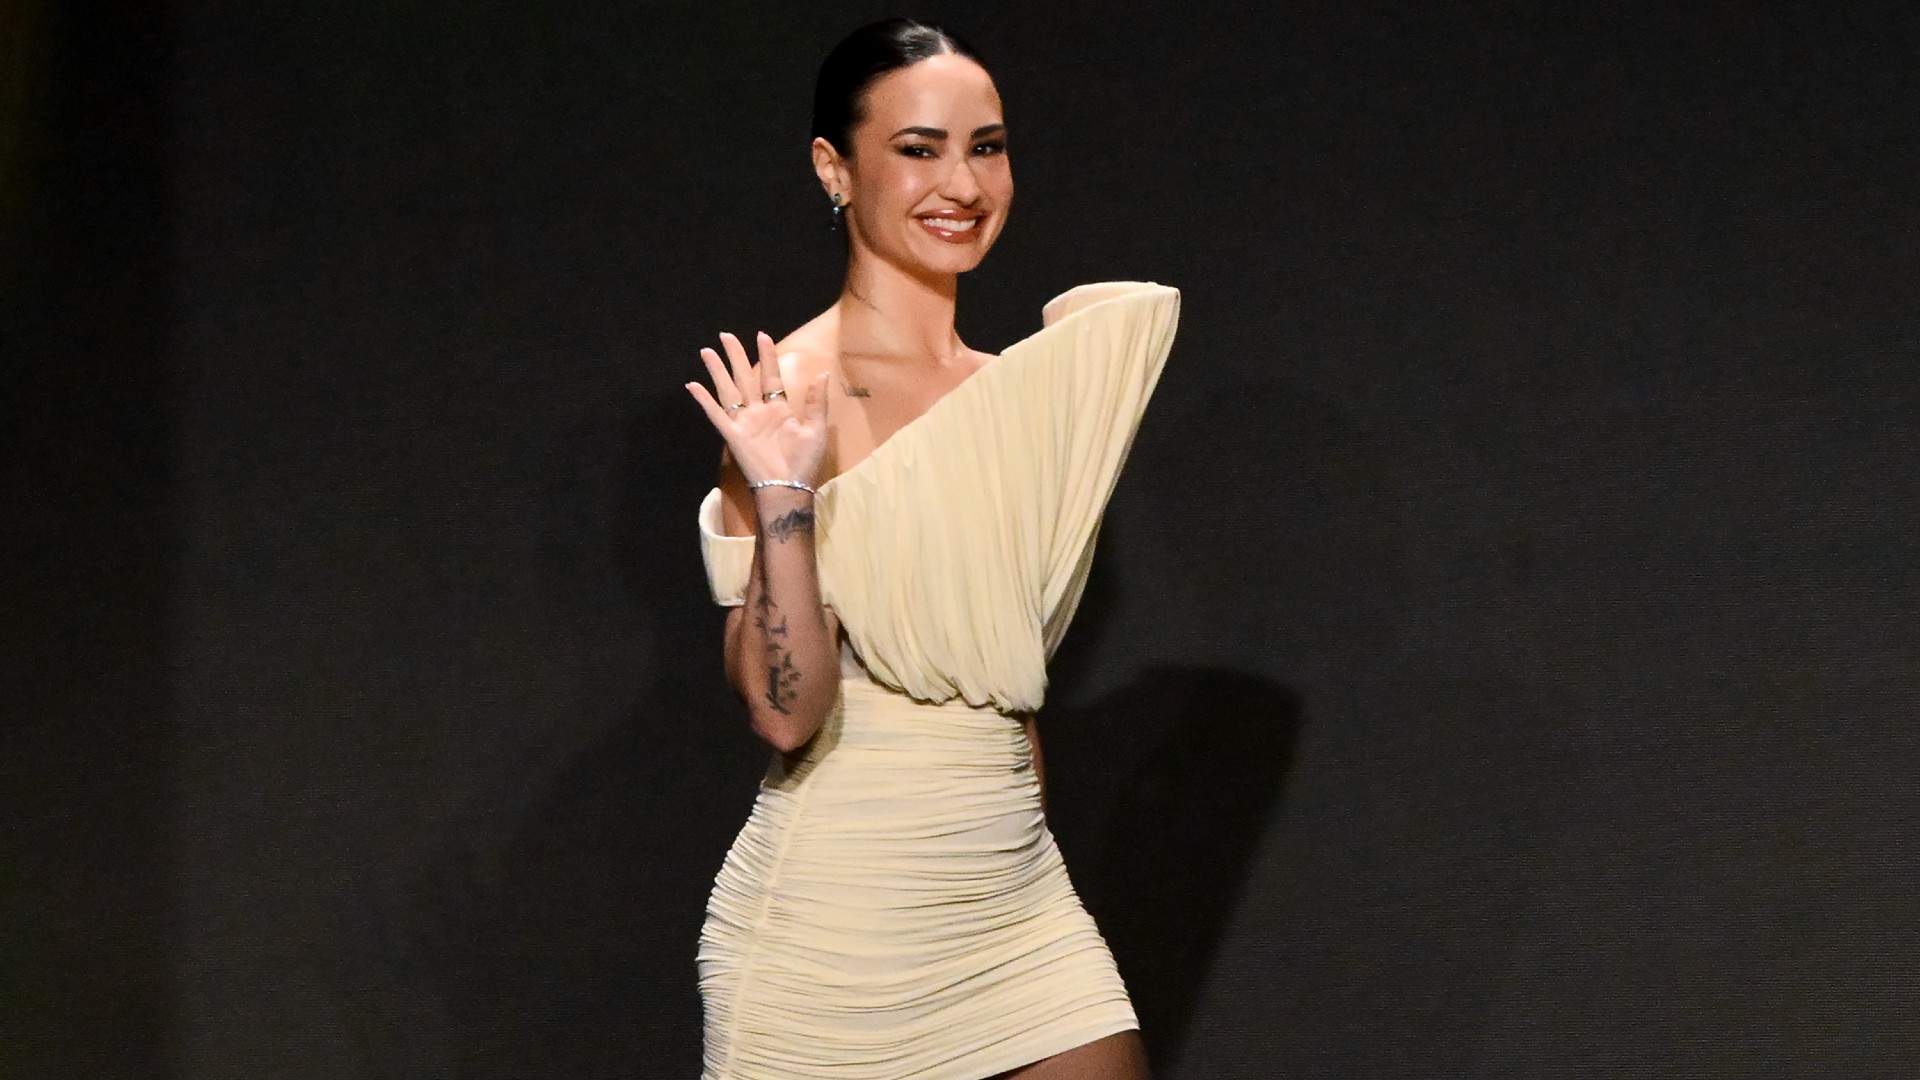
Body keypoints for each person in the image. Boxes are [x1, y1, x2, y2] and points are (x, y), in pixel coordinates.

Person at [685, 18, 1179, 1080]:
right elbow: (783, 711)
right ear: (834, 166)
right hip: (836, 933)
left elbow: (1006, 683)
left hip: (1012, 906)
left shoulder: (1017, 399)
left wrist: (1014, 844)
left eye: (986, 146)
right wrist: (781, 495)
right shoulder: (787, 399)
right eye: (919, 149)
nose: (962, 182)